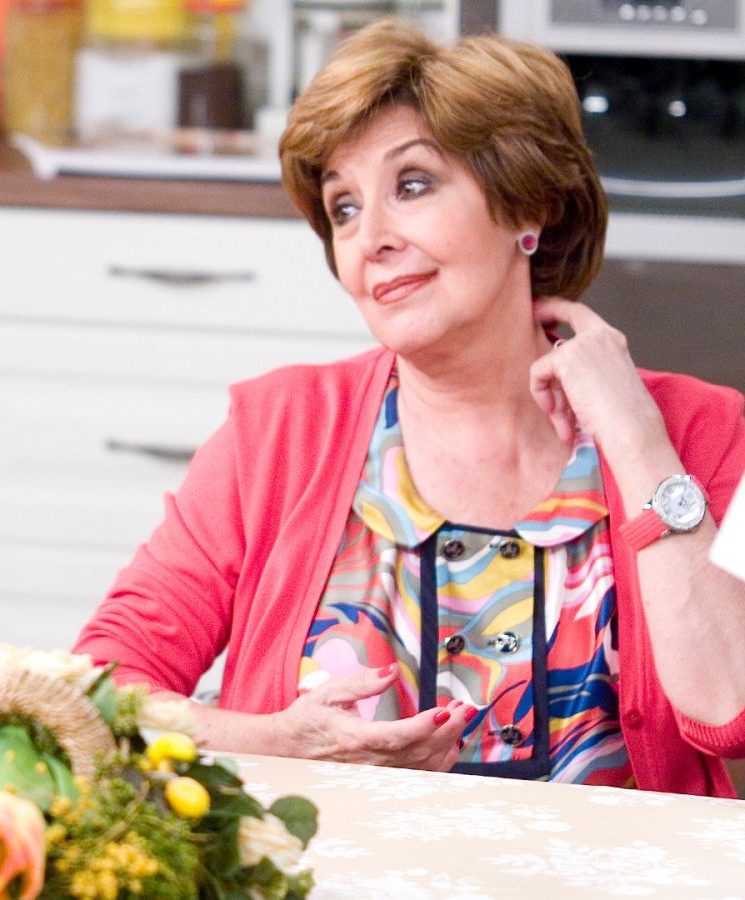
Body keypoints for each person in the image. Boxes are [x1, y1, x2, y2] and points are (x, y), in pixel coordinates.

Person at [75, 19, 745, 796]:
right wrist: (269, 744)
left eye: (413, 184)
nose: (372, 239)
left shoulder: (707, 431)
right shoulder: (278, 432)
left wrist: (636, 437)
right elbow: (95, 689)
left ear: (528, 207)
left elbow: (728, 709)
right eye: (344, 209)